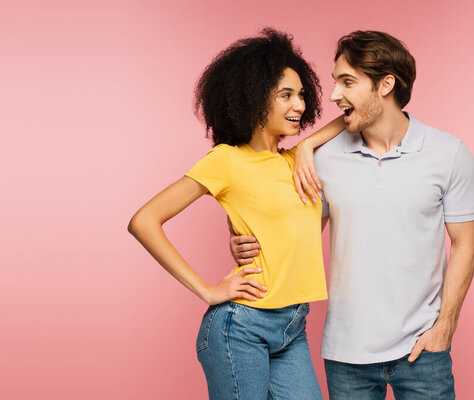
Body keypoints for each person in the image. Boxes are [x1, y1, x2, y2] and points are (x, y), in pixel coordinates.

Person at [230, 30, 474, 400]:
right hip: (346, 355)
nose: (333, 95)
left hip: (423, 349)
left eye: (347, 82)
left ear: (386, 84)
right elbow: (296, 230)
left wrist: (445, 327)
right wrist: (244, 241)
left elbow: (465, 246)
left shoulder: (448, 153)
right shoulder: (326, 157)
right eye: (335, 83)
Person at [128, 28, 345, 400]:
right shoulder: (227, 161)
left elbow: (354, 117)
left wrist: (308, 143)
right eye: (286, 96)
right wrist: (208, 291)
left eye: (302, 95)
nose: (300, 106)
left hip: (293, 325)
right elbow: (144, 221)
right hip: (241, 327)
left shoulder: (298, 161)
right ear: (254, 98)